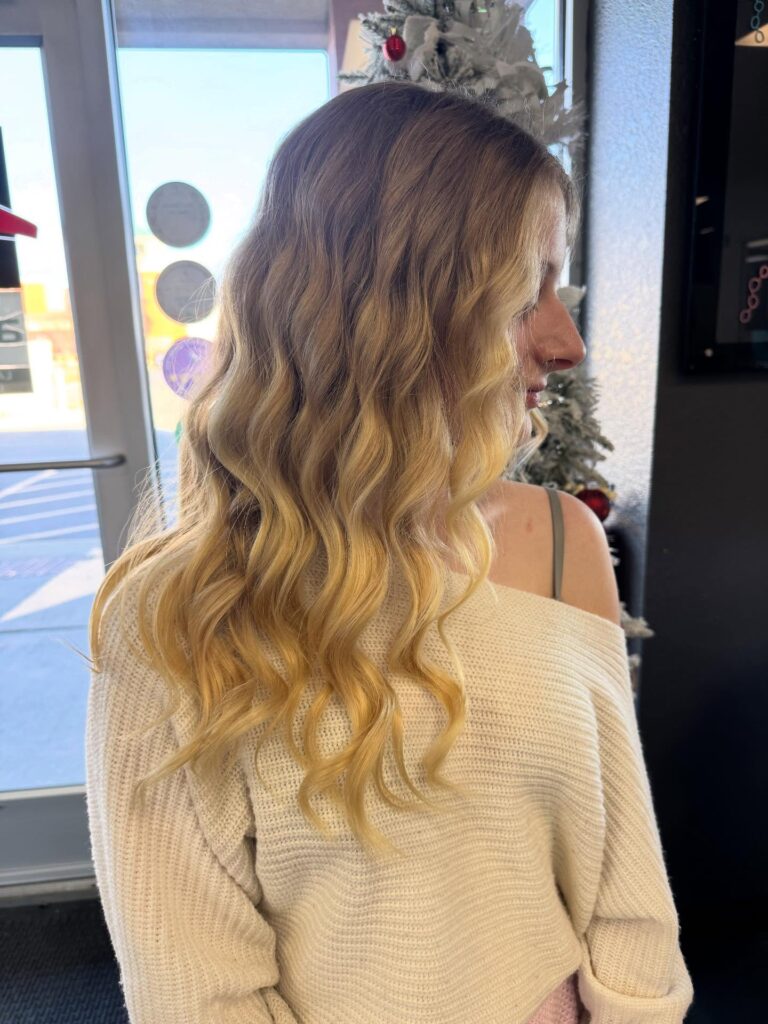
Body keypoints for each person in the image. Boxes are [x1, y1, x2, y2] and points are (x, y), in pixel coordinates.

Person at [84, 80, 695, 1024]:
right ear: (391, 310)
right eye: (525, 291)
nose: (567, 341)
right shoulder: (177, 616)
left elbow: (627, 888)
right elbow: (195, 989)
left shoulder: (562, 541)